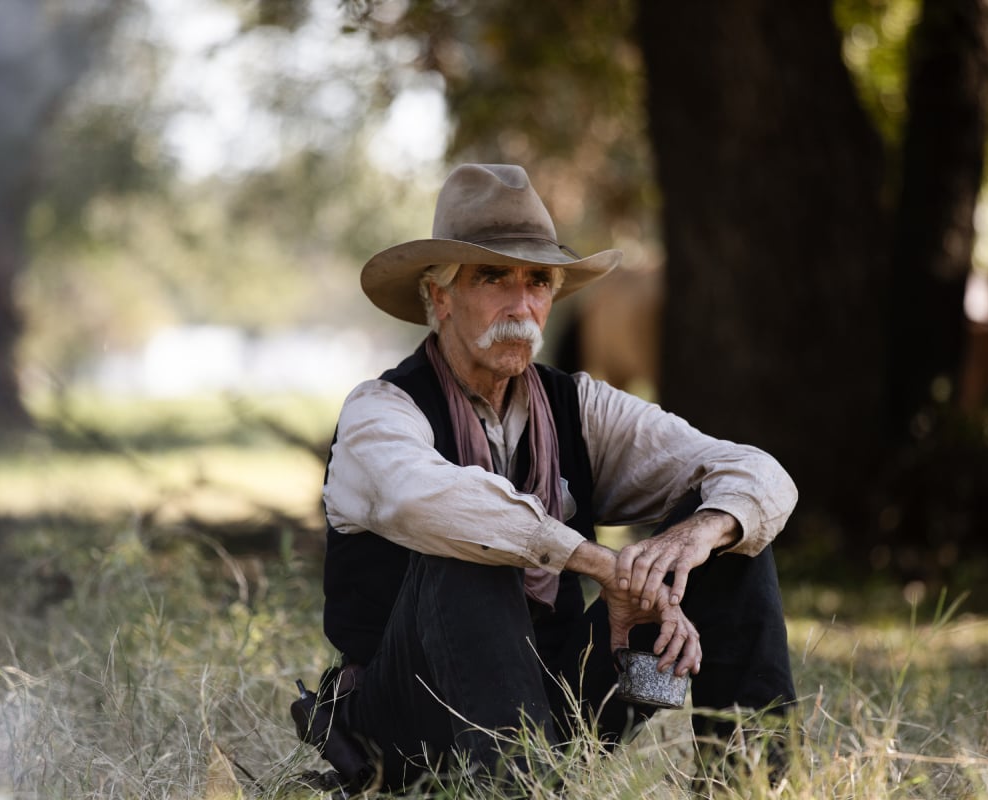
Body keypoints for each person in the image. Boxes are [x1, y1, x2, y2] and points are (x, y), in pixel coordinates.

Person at [318, 163, 798, 790]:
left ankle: (753, 783)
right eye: (492, 277)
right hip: (411, 724)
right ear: (439, 297)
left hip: (555, 705)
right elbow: (433, 503)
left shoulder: (579, 405)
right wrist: (606, 567)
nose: (521, 305)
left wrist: (694, 540)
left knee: (729, 539)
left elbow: (756, 471)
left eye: (538, 281)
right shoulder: (379, 411)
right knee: (471, 549)